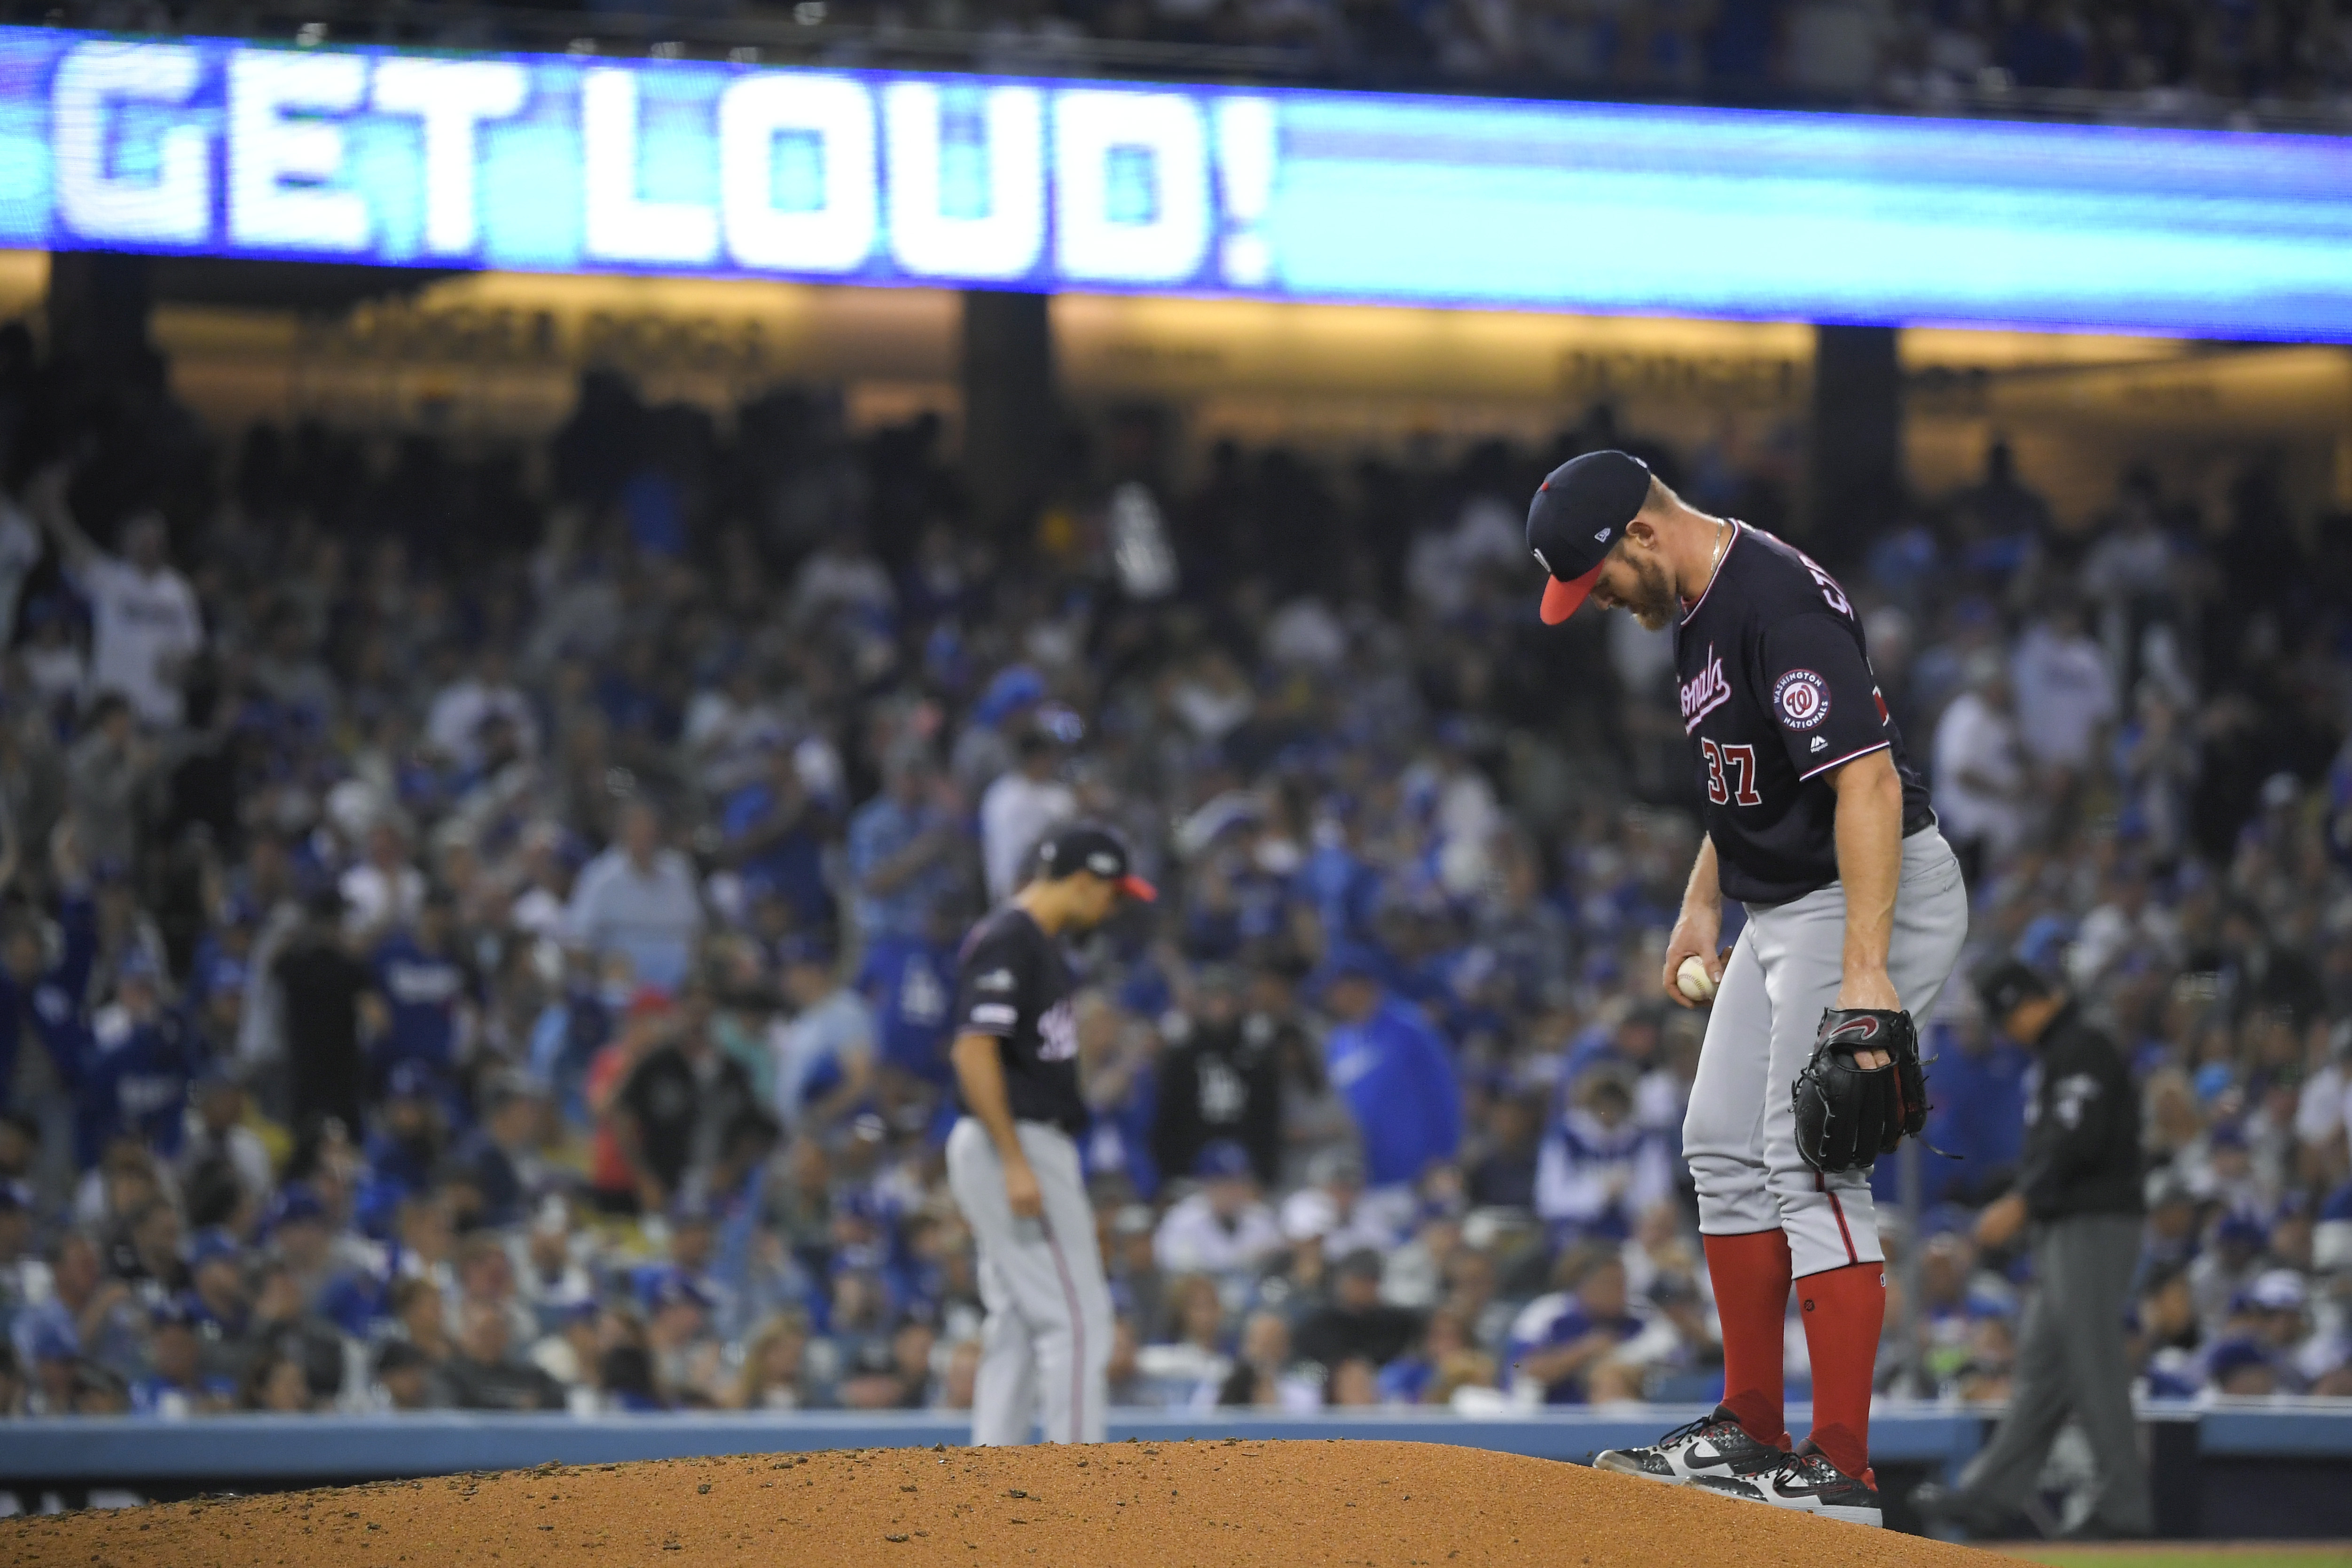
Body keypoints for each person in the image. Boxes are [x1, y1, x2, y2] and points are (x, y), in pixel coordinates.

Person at [1533, 451, 1968, 1527]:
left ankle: (1841, 1464)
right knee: (1717, 1140)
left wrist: (1864, 973)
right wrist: (1700, 901)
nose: (1598, 605)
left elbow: (1860, 778)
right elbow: (1748, 779)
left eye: (1597, 582)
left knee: (1806, 1151)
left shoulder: (1773, 598)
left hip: (1867, 887)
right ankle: (1749, 1422)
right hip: (1783, 902)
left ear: (1639, 533)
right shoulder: (1693, 603)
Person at [1915, 962, 2153, 1541]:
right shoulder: (2061, 1052)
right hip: (2067, 1225)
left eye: (2006, 1016)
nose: (2005, 1030)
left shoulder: (2082, 1046)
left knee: (2093, 1362)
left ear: (2029, 1002)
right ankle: (1991, 1496)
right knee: (2044, 1371)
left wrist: (2021, 1203)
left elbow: (2080, 1139)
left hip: (2094, 1223)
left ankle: (2124, 1505)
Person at [943, 823, 1153, 1445]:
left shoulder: (1035, 944)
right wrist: (1013, 1159)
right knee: (1079, 1318)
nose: (1113, 908)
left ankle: (993, 1475)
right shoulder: (1015, 938)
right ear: (1083, 881)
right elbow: (973, 1050)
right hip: (1015, 1137)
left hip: (1013, 1139)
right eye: (1112, 894)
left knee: (1017, 1317)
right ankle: (1077, 1485)